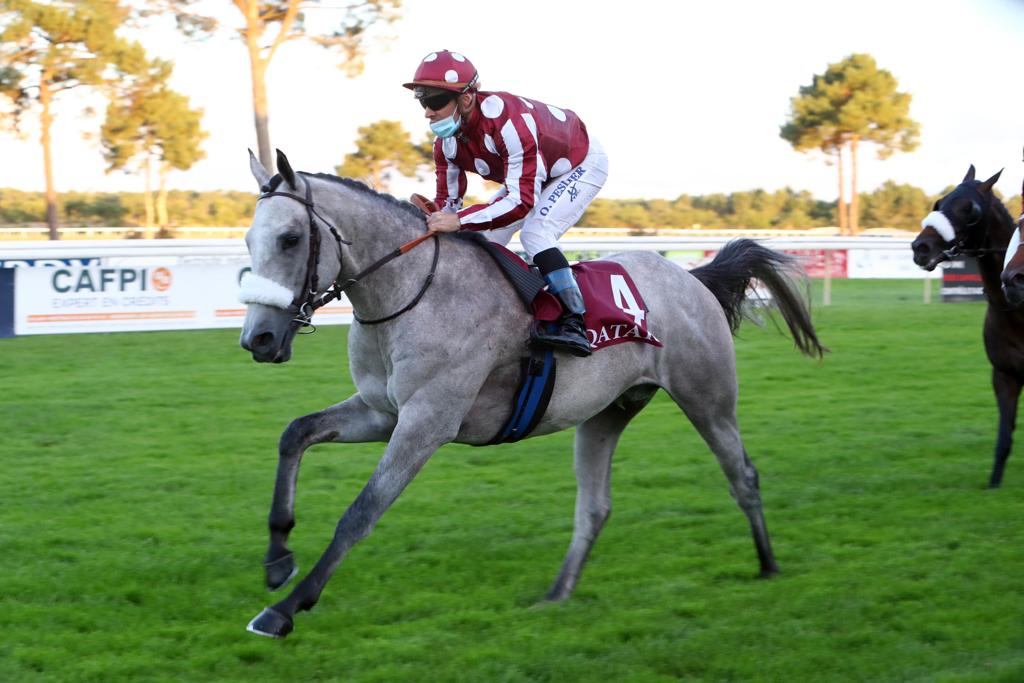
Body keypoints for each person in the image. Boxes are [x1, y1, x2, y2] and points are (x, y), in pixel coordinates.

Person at [403, 50, 609, 357]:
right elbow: (449, 206)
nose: (427, 112)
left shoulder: (510, 124)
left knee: (536, 233)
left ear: (467, 99)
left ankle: (574, 322)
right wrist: (435, 215)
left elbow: (521, 202)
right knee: (484, 240)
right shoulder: (445, 143)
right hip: (540, 169)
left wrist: (458, 220)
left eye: (435, 101)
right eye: (423, 101)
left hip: (579, 163)